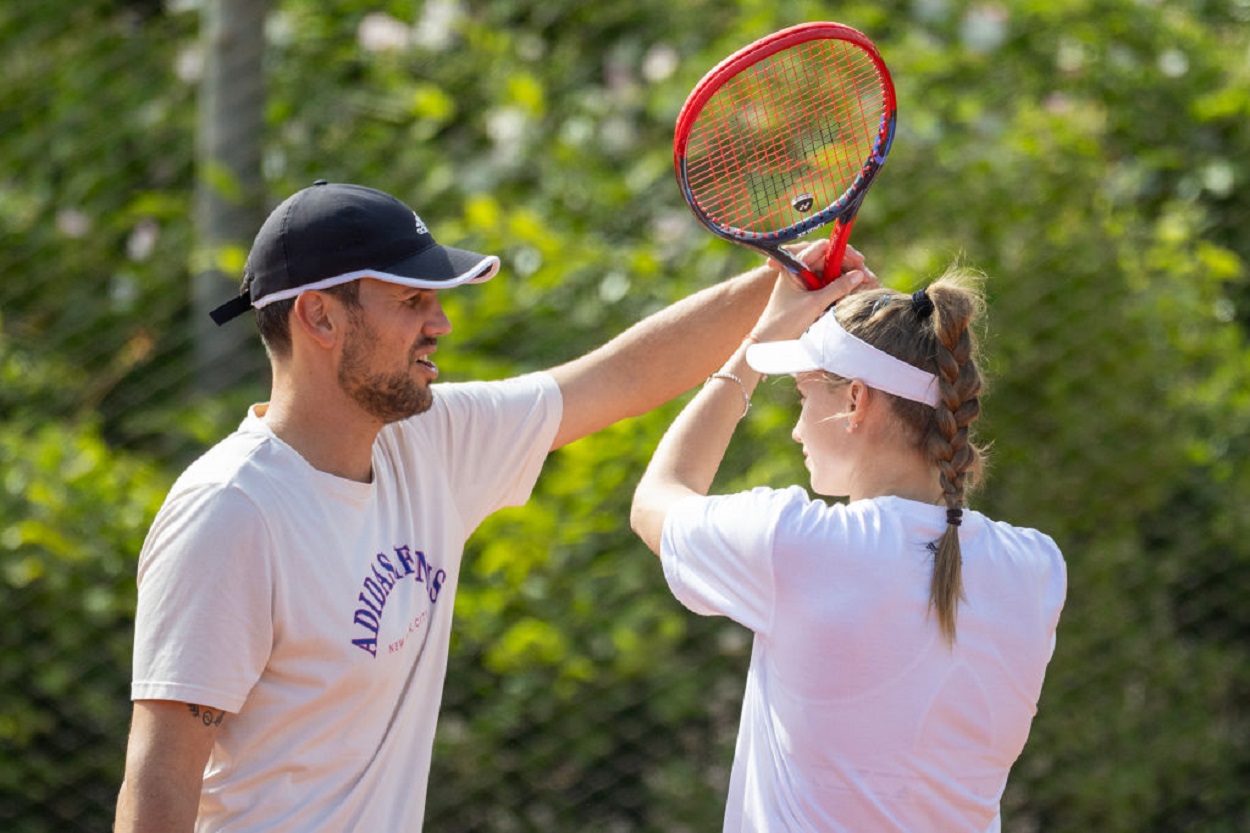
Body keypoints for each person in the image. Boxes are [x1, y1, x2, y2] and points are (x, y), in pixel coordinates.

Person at [113, 180, 796, 833]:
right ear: (319, 315)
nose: (439, 322)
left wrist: (788, 281)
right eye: (412, 301)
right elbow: (161, 778)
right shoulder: (231, 511)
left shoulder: (429, 441)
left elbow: (621, 375)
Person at [631, 243, 1067, 832]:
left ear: (856, 400)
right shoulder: (1038, 569)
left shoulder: (798, 547)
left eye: (805, 396)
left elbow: (659, 495)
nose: (795, 429)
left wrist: (758, 345)